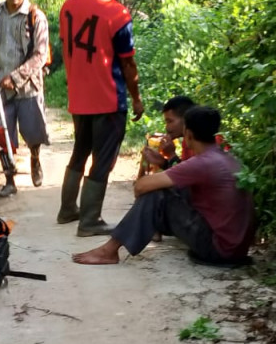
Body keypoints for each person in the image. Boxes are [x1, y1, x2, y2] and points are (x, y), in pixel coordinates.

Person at [72, 106, 255, 266]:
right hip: (236, 249)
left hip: (218, 250)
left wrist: (152, 172)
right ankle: (146, 232)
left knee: (157, 194)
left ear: (188, 134)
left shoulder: (203, 162)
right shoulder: (224, 157)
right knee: (174, 188)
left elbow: (141, 187)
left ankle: (109, 251)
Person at [56, 0, 145, 236]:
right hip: (108, 100)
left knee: (79, 152)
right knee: (103, 160)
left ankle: (68, 209)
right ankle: (90, 221)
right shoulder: (117, 14)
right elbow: (128, 64)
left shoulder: (69, 5)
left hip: (78, 99)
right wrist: (136, 98)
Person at [0, 0, 51, 198]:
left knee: (32, 132)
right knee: (2, 134)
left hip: (28, 86)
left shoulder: (35, 16)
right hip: (1, 86)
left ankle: (35, 158)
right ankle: (9, 179)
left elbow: (40, 55)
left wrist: (17, 77)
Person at [141, 95, 195, 173]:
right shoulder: (186, 141)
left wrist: (171, 155)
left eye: (170, 121)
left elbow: (187, 177)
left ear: (186, 119)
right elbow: (183, 173)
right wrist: (163, 162)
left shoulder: (201, 141)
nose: (167, 127)